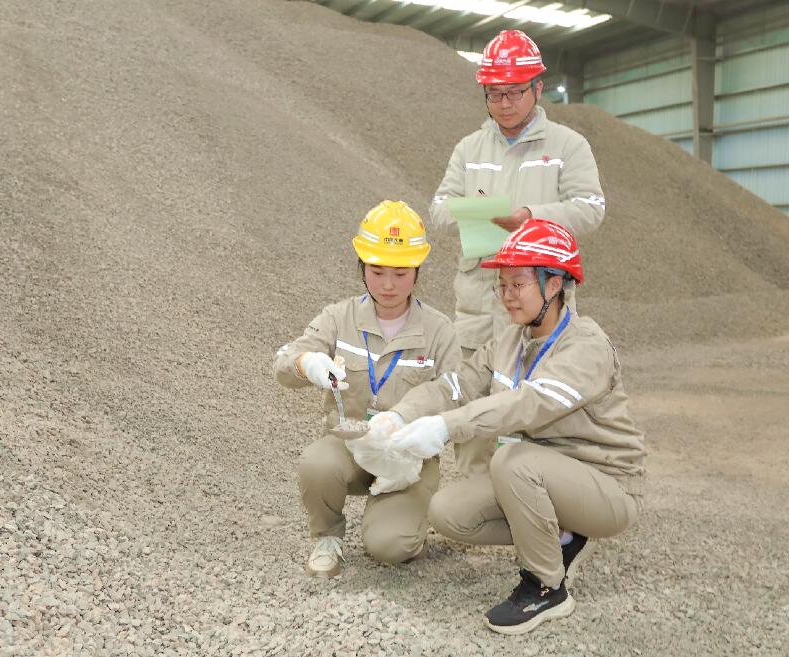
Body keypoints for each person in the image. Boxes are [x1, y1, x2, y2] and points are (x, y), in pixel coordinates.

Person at [367, 219, 644, 634]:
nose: (507, 295)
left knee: (511, 461)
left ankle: (546, 587)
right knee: (449, 512)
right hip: (541, 475)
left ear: (554, 285)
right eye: (502, 285)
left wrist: (445, 427)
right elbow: (457, 384)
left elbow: (528, 405)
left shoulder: (586, 345)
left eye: (518, 284)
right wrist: (403, 413)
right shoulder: (510, 341)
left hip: (607, 486)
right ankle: (564, 537)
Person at [429, 29, 607, 477]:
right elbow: (438, 209)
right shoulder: (469, 149)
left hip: (540, 309)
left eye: (514, 92)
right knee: (473, 415)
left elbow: (591, 208)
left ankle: (535, 499)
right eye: (494, 94)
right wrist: (476, 213)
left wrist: (531, 217)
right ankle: (473, 499)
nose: (504, 103)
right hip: (478, 306)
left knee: (539, 416)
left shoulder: (567, 146)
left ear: (538, 88)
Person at [273, 201, 460, 578]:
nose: (388, 285)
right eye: (377, 271)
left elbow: (456, 391)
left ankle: (408, 525)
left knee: (390, 548)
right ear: (362, 267)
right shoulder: (338, 318)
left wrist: (406, 418)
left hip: (408, 458)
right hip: (351, 446)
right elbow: (284, 364)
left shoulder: (439, 330)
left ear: (417, 271)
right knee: (317, 463)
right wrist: (307, 363)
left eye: (400, 273)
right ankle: (327, 537)